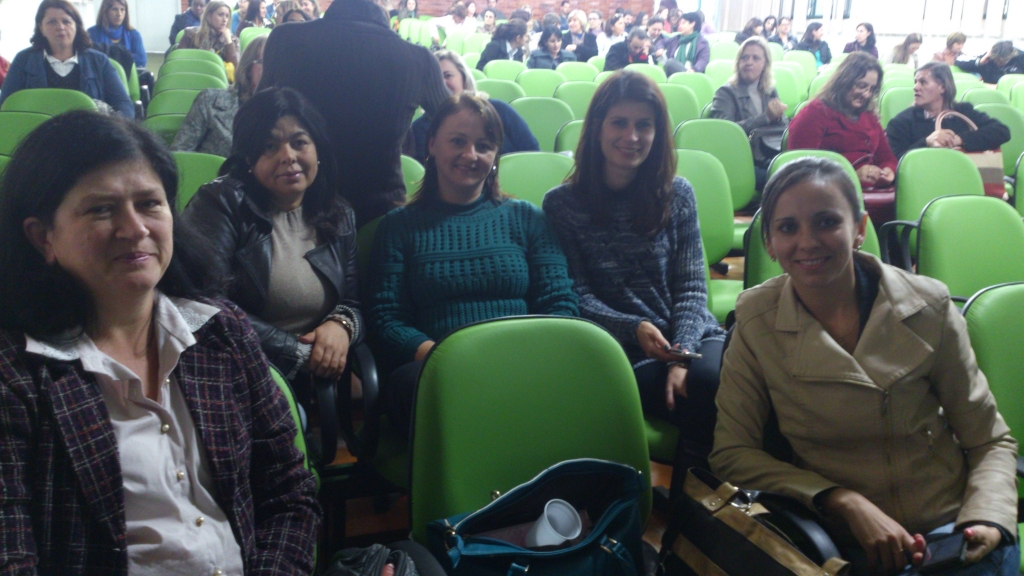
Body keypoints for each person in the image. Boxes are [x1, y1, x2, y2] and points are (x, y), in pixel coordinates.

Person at [0, 109, 321, 575]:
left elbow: (289, 492)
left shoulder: (220, 332)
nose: (136, 229)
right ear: (42, 237)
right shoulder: (17, 375)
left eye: (150, 203)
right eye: (102, 209)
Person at [710, 156, 1020, 576]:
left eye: (826, 222)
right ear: (768, 243)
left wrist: (988, 516)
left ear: (859, 229)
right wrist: (838, 498)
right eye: (787, 228)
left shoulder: (928, 306)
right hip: (839, 541)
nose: (807, 241)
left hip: (952, 528)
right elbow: (733, 453)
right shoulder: (756, 319)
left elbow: (989, 440)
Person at [543, 70, 725, 484]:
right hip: (625, 350)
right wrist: (633, 327)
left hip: (692, 336)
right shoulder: (562, 204)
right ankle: (704, 507)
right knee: (707, 398)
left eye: (644, 124)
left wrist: (683, 353)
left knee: (737, 386)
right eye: (619, 123)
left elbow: (692, 287)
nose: (632, 136)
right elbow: (576, 296)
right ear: (598, 128)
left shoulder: (678, 193)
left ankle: (701, 504)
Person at [369, 93, 578, 434]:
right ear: (432, 144)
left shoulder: (528, 219)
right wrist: (441, 356)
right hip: (439, 368)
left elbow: (561, 302)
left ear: (496, 155)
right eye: (458, 141)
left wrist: (527, 355)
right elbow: (386, 318)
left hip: (523, 361)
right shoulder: (398, 227)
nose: (470, 155)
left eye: (483, 146)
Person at [182, 87, 361, 396]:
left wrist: (342, 326)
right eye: (269, 146)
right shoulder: (221, 202)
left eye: (299, 142)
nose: (288, 156)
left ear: (318, 150)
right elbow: (206, 305)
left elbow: (353, 302)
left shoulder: (339, 212)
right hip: (237, 369)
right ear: (249, 158)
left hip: (316, 373)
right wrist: (298, 354)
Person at [259, 0, 451, 226]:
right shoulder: (419, 59)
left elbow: (253, 121)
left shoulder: (285, 39)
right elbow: (458, 121)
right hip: (381, 213)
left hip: (299, 205)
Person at [0, 0, 133, 118]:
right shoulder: (23, 61)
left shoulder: (99, 61)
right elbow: (5, 105)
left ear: (76, 26)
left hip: (90, 134)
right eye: (52, 22)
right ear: (41, 28)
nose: (60, 27)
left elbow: (124, 106)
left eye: (66, 21)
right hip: (36, 133)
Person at [789, 52, 894, 190]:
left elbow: (886, 157)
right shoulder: (814, 113)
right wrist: (851, 176)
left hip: (871, 192)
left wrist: (888, 171)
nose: (867, 94)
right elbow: (799, 169)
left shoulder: (869, 116)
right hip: (829, 193)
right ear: (844, 81)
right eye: (861, 86)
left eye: (872, 89)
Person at [407, 50, 538, 162]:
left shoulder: (499, 111)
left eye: (447, 76)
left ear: (464, 79)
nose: (441, 83)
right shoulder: (420, 128)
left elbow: (533, 154)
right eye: (435, 78)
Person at [886, 62, 1010, 160]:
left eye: (923, 82)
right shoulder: (901, 122)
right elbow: (895, 161)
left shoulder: (963, 111)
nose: (915, 87)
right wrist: (926, 142)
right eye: (915, 82)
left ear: (943, 87)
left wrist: (959, 139)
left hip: (964, 177)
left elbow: (1001, 131)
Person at [710, 37, 789, 190]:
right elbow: (726, 133)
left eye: (756, 58)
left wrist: (779, 117)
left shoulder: (770, 90)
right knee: (787, 180)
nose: (749, 62)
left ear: (765, 64)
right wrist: (765, 117)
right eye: (744, 57)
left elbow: (782, 126)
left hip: (769, 153)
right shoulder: (725, 92)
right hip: (743, 161)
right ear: (738, 62)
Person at [172, 36, 266, 157]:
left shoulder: (284, 111)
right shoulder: (210, 101)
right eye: (265, 62)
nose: (272, 70)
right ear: (248, 67)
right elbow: (180, 155)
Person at [178, 0, 240, 68]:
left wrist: (229, 42)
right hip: (193, 71)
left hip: (220, 74)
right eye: (220, 15)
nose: (225, 20)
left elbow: (236, 67)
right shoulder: (191, 34)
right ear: (209, 16)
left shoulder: (233, 40)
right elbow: (177, 60)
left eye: (227, 16)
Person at [87, 0, 146, 69]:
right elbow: (92, 60)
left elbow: (141, 60)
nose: (119, 14)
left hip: (128, 75)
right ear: (105, 11)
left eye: (122, 9)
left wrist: (112, 56)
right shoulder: (92, 33)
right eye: (114, 9)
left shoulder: (134, 34)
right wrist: (125, 57)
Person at [956, 40, 1024, 85]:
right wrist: (980, 62)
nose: (999, 63)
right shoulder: (988, 59)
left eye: (1003, 60)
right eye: (997, 60)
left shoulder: (1020, 58)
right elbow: (959, 62)